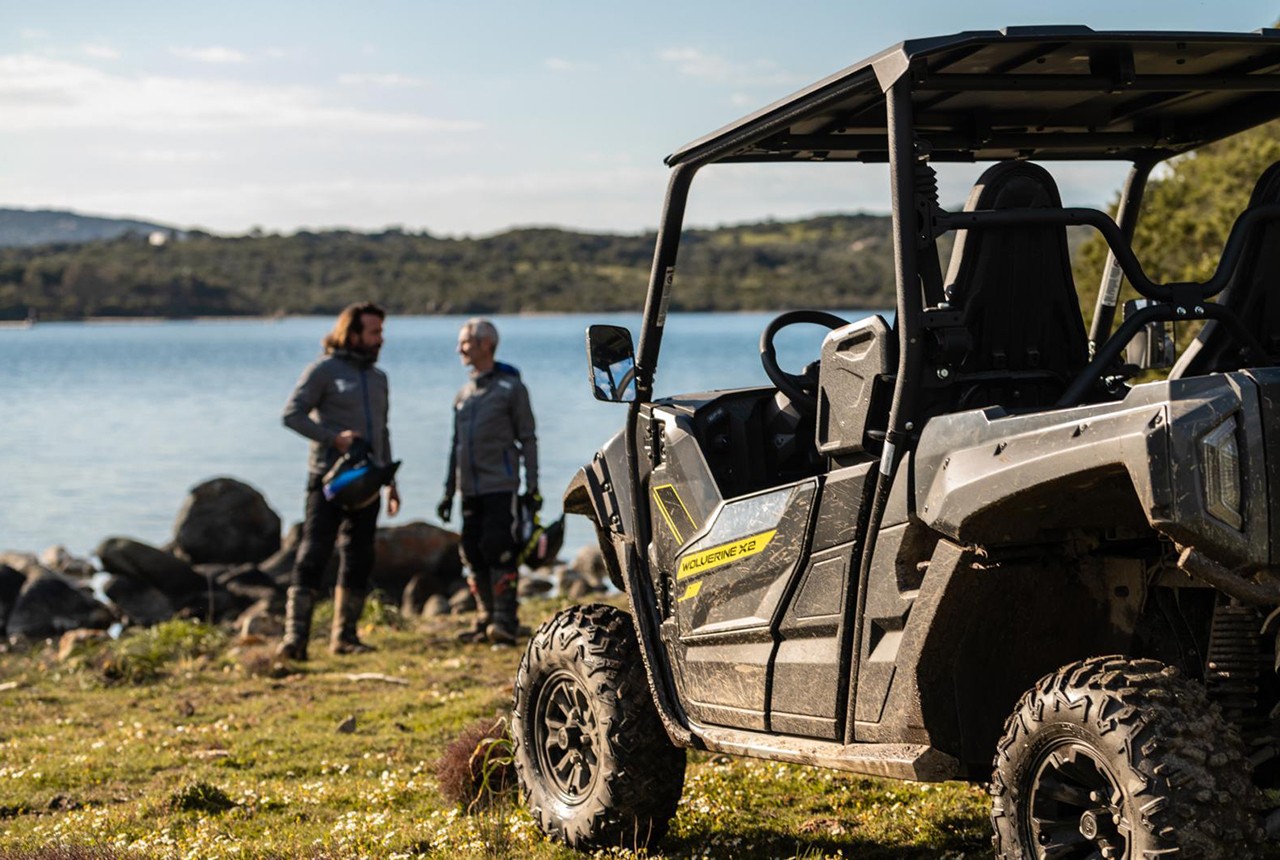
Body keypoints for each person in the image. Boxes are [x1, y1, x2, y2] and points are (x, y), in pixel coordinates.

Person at [278, 302, 400, 660]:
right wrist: (334, 438)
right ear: (353, 333)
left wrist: (391, 481)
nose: (380, 339)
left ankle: (344, 637)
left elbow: (383, 430)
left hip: (369, 482)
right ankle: (294, 640)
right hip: (328, 480)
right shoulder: (324, 370)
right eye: (374, 332)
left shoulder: (379, 379)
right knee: (312, 554)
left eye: (381, 332)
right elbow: (291, 415)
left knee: (359, 557)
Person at [438, 318, 539, 645]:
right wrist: (448, 492)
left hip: (502, 487)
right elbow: (455, 446)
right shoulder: (464, 395)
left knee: (500, 551)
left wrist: (532, 487)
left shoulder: (511, 388)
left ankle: (505, 621)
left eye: (464, 342)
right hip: (469, 490)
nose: (459, 349)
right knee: (472, 552)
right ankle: (484, 618)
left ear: (485, 345)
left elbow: (528, 439)